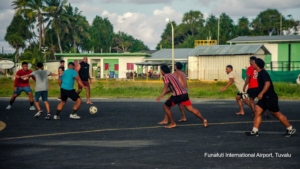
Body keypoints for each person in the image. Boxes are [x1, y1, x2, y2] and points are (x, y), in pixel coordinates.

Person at [245, 58, 296, 137]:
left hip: (270, 97)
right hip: (264, 98)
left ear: (257, 65)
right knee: (257, 111)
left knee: (276, 114)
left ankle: (290, 129)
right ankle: (255, 131)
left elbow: (267, 84)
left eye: (254, 63)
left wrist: (261, 93)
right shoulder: (259, 73)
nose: (252, 64)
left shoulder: (263, 73)